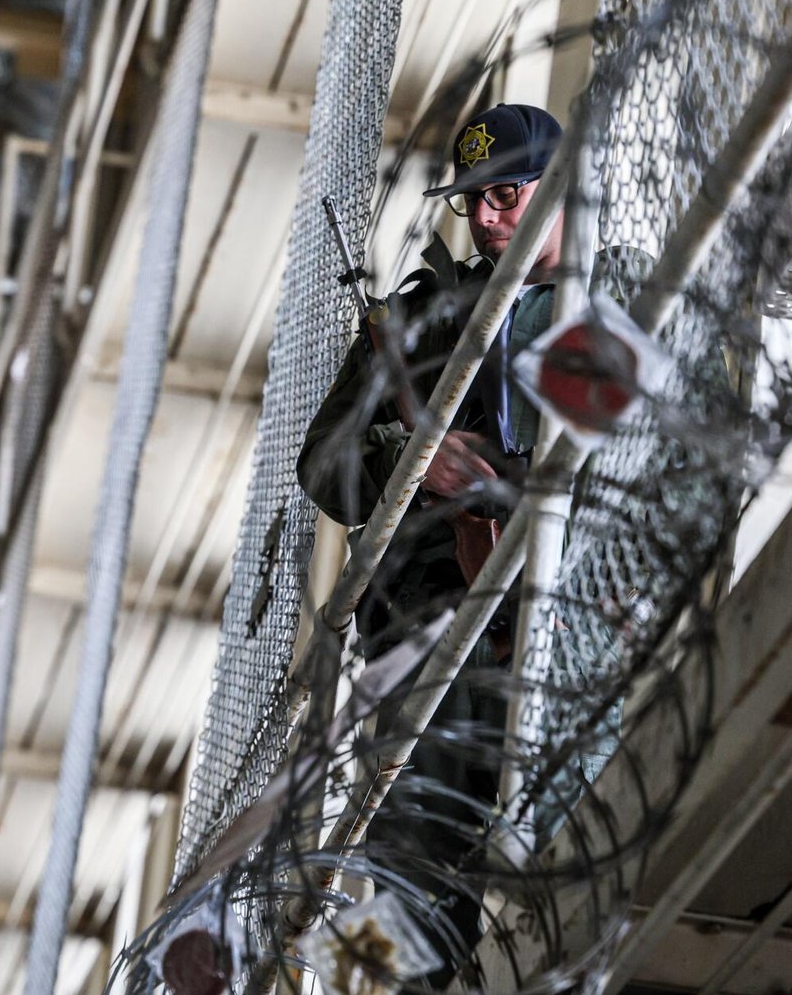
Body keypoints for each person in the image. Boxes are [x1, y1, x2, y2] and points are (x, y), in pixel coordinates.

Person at [296, 103, 596, 989]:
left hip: (568, 616)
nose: (493, 218)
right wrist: (417, 461)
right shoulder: (424, 316)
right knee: (406, 839)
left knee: (571, 843)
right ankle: (367, 982)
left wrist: (513, 480)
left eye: (511, 194)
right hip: (430, 623)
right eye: (476, 203)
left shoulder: (611, 302)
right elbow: (324, 466)